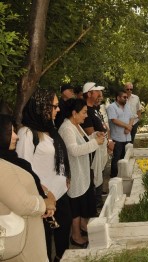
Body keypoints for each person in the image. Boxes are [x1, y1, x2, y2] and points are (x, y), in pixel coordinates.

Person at [16, 89, 72, 262]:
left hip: (60, 195)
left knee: (63, 239)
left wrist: (65, 178)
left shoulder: (50, 129)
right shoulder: (27, 134)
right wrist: (44, 194)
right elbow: (23, 170)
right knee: (44, 244)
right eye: (54, 106)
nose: (58, 110)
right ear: (42, 107)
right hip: (43, 198)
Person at [0, 114, 49, 261]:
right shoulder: (2, 167)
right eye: (10, 133)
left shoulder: (10, 160)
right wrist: (45, 203)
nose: (16, 137)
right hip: (23, 242)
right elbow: (23, 205)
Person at [58, 98, 105, 248]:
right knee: (76, 208)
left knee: (82, 205)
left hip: (82, 172)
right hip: (75, 174)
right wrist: (94, 143)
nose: (86, 115)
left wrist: (93, 136)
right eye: (84, 112)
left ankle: (82, 229)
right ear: (74, 113)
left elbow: (83, 143)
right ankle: (75, 236)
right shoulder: (67, 128)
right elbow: (74, 150)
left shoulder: (76, 125)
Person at [80, 82, 111, 208]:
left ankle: (97, 201)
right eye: (97, 92)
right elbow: (92, 134)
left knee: (100, 174)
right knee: (95, 176)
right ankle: (96, 204)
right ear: (89, 94)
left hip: (102, 148)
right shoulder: (86, 112)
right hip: (94, 152)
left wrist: (109, 141)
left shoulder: (95, 109)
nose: (100, 95)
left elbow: (103, 127)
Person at [106, 90, 133, 178]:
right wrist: (127, 126)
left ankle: (123, 176)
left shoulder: (127, 106)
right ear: (118, 98)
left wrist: (129, 127)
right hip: (117, 138)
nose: (126, 99)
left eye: (127, 97)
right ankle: (114, 177)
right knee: (117, 159)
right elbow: (114, 120)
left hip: (127, 137)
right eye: (124, 97)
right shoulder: (111, 107)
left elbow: (132, 117)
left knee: (126, 158)